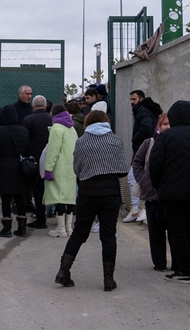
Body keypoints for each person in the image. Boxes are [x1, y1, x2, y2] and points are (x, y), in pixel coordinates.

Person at [55, 110, 129, 291]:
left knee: (79, 233)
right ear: (106, 122)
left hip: (87, 193)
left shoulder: (81, 142)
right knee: (108, 235)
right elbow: (123, 170)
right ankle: (108, 279)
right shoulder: (116, 141)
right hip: (110, 193)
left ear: (87, 123)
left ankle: (63, 271)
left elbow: (77, 170)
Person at [148, 100, 190, 284]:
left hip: (171, 193)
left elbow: (155, 164)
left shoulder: (166, 137)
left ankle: (184, 270)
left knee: (177, 231)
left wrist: (159, 185)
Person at [133, 112, 172, 271]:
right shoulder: (149, 143)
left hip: (170, 195)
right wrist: (144, 180)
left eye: (170, 124)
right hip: (152, 195)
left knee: (174, 232)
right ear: (158, 126)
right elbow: (137, 162)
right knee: (156, 232)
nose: (167, 127)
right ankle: (159, 263)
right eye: (164, 124)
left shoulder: (176, 143)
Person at [0, 104, 30, 238]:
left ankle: (6, 229)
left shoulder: (0, 131)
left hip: (3, 168)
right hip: (20, 169)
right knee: (20, 197)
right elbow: (28, 151)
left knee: (5, 198)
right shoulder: (23, 131)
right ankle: (22, 228)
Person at [125, 91, 162, 223]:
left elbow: (146, 128)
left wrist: (135, 139)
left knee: (133, 177)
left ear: (141, 99)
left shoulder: (143, 112)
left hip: (143, 149)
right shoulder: (144, 110)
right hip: (144, 148)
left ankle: (139, 209)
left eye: (134, 99)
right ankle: (138, 208)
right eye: (130, 99)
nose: (132, 102)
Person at [43, 103, 77, 238]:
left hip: (59, 167)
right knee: (70, 198)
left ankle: (60, 228)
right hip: (71, 168)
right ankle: (69, 228)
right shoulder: (71, 128)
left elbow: (53, 151)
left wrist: (48, 168)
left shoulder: (56, 128)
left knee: (59, 198)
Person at [21, 95, 53, 229]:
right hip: (52, 159)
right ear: (45, 106)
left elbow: (23, 140)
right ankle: (61, 218)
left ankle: (40, 218)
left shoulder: (28, 119)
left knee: (37, 190)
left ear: (33, 107)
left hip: (34, 160)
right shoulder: (53, 120)